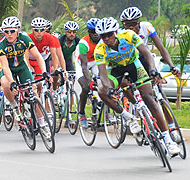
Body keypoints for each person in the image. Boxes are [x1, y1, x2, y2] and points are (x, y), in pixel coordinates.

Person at [94, 17, 180, 156]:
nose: (107, 38)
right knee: (102, 91)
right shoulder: (100, 49)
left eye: (109, 34)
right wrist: (109, 88)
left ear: (115, 32)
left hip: (135, 65)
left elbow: (146, 53)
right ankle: (129, 117)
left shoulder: (128, 35)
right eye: (103, 36)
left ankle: (169, 141)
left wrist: (152, 69)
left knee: (149, 97)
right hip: (115, 71)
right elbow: (103, 74)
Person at [120, 7, 181, 142]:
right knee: (134, 92)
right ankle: (141, 117)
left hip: (146, 60)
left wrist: (172, 66)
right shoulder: (120, 33)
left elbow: (161, 48)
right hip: (130, 63)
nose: (130, 27)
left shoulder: (147, 27)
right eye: (127, 25)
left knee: (159, 94)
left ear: (139, 22)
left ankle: (172, 128)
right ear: (123, 25)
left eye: (134, 24)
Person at [0, 16, 51, 138]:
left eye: (12, 31)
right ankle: (14, 107)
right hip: (8, 70)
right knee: (5, 84)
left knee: (33, 93)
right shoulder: (0, 45)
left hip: (22, 68)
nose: (9, 34)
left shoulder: (24, 39)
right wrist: (12, 82)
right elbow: (5, 66)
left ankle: (43, 125)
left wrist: (44, 72)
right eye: (6, 31)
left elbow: (38, 56)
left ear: (18, 30)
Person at [74, 18, 100, 126]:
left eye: (97, 31)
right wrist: (89, 82)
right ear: (89, 32)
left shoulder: (104, 40)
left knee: (105, 82)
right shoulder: (83, 43)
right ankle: (81, 113)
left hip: (94, 62)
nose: (95, 34)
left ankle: (106, 111)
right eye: (92, 32)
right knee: (86, 87)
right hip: (81, 63)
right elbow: (84, 66)